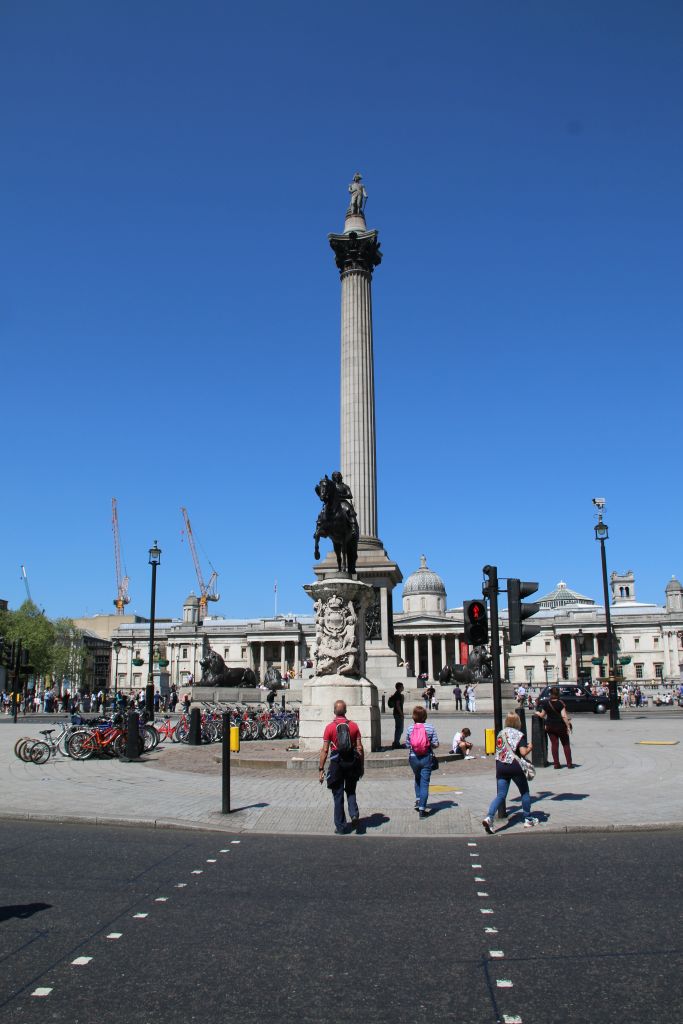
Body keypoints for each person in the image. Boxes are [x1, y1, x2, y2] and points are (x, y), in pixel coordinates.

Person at [482, 711, 538, 833]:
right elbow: (523, 752)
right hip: (514, 766)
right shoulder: (519, 735)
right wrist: (530, 747)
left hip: (501, 766)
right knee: (524, 792)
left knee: (501, 795)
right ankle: (528, 819)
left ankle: (489, 817)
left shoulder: (500, 733)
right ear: (518, 722)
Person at [319, 700, 364, 834]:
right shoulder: (354, 726)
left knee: (337, 795)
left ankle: (341, 826)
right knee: (351, 790)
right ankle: (354, 813)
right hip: (351, 762)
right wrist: (361, 765)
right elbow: (360, 748)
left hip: (336, 763)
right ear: (346, 711)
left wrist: (321, 768)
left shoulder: (329, 728)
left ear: (334, 711)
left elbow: (325, 750)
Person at [405, 705, 439, 818]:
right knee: (425, 783)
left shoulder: (410, 728)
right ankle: (422, 809)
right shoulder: (430, 727)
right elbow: (435, 744)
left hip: (413, 758)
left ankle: (418, 799)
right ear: (425, 716)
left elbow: (408, 744)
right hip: (426, 757)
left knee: (417, 777)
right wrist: (429, 744)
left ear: (414, 716)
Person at [536, 685, 573, 769]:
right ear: (558, 694)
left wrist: (537, 713)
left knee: (554, 744)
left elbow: (542, 715)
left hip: (550, 726)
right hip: (560, 726)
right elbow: (564, 716)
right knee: (566, 744)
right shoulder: (560, 703)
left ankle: (556, 764)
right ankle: (569, 764)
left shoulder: (546, 703)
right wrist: (568, 726)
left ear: (550, 694)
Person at [388, 682, 405, 749]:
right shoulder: (398, 695)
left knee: (398, 729)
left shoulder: (397, 694)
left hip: (396, 713)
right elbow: (398, 705)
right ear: (399, 687)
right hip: (398, 714)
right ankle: (396, 743)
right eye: (402, 686)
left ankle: (396, 742)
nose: (403, 687)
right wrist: (401, 714)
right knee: (399, 729)